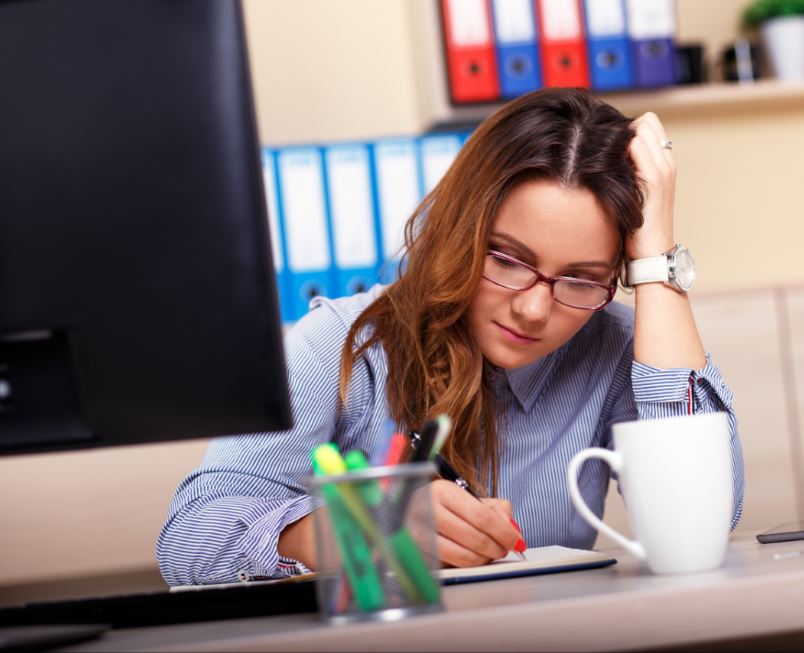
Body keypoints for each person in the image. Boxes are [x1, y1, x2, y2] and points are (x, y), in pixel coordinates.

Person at [157, 88, 744, 586]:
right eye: (509, 260)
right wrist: (355, 528)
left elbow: (702, 522)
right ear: (462, 230)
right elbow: (187, 539)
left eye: (581, 279)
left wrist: (657, 265)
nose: (536, 308)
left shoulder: (616, 347)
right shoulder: (339, 342)